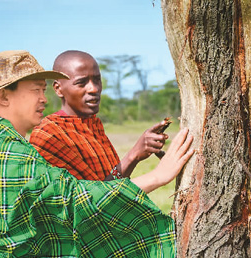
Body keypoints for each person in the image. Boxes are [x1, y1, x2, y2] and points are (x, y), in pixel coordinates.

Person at [0, 50, 194, 258]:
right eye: (35, 90)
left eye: (43, 90)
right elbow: (73, 200)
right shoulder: (4, 152)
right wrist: (158, 176)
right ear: (4, 97)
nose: (43, 99)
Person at [30, 50, 170, 181]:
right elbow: (88, 200)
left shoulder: (94, 125)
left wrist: (142, 152)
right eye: (81, 83)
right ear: (58, 89)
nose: (94, 88)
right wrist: (133, 155)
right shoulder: (48, 135)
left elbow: (112, 183)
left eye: (97, 80)